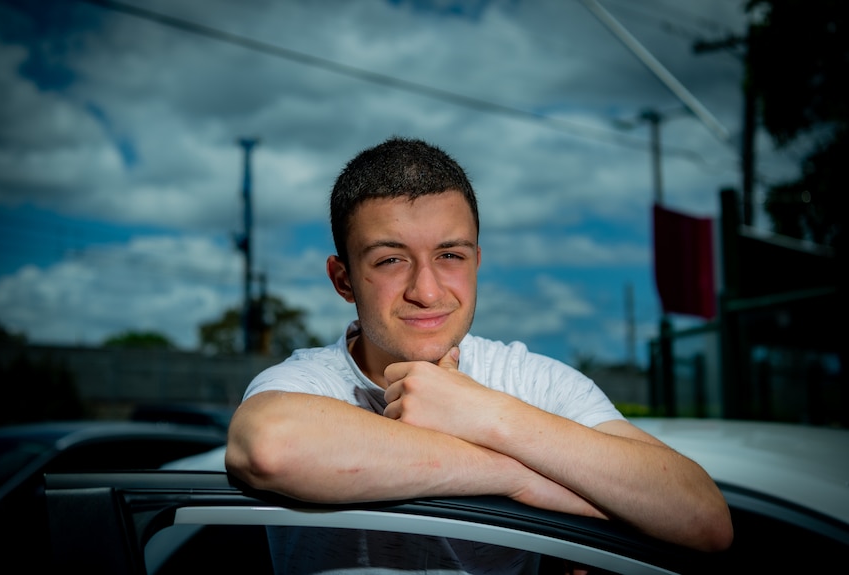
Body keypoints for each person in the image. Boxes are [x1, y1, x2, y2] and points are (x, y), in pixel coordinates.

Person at [225, 136, 733, 573]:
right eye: (390, 260)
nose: (426, 290)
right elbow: (271, 447)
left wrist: (486, 415)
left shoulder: (532, 380)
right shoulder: (310, 381)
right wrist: (514, 476)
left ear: (476, 262)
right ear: (343, 280)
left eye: (450, 255)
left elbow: (704, 517)